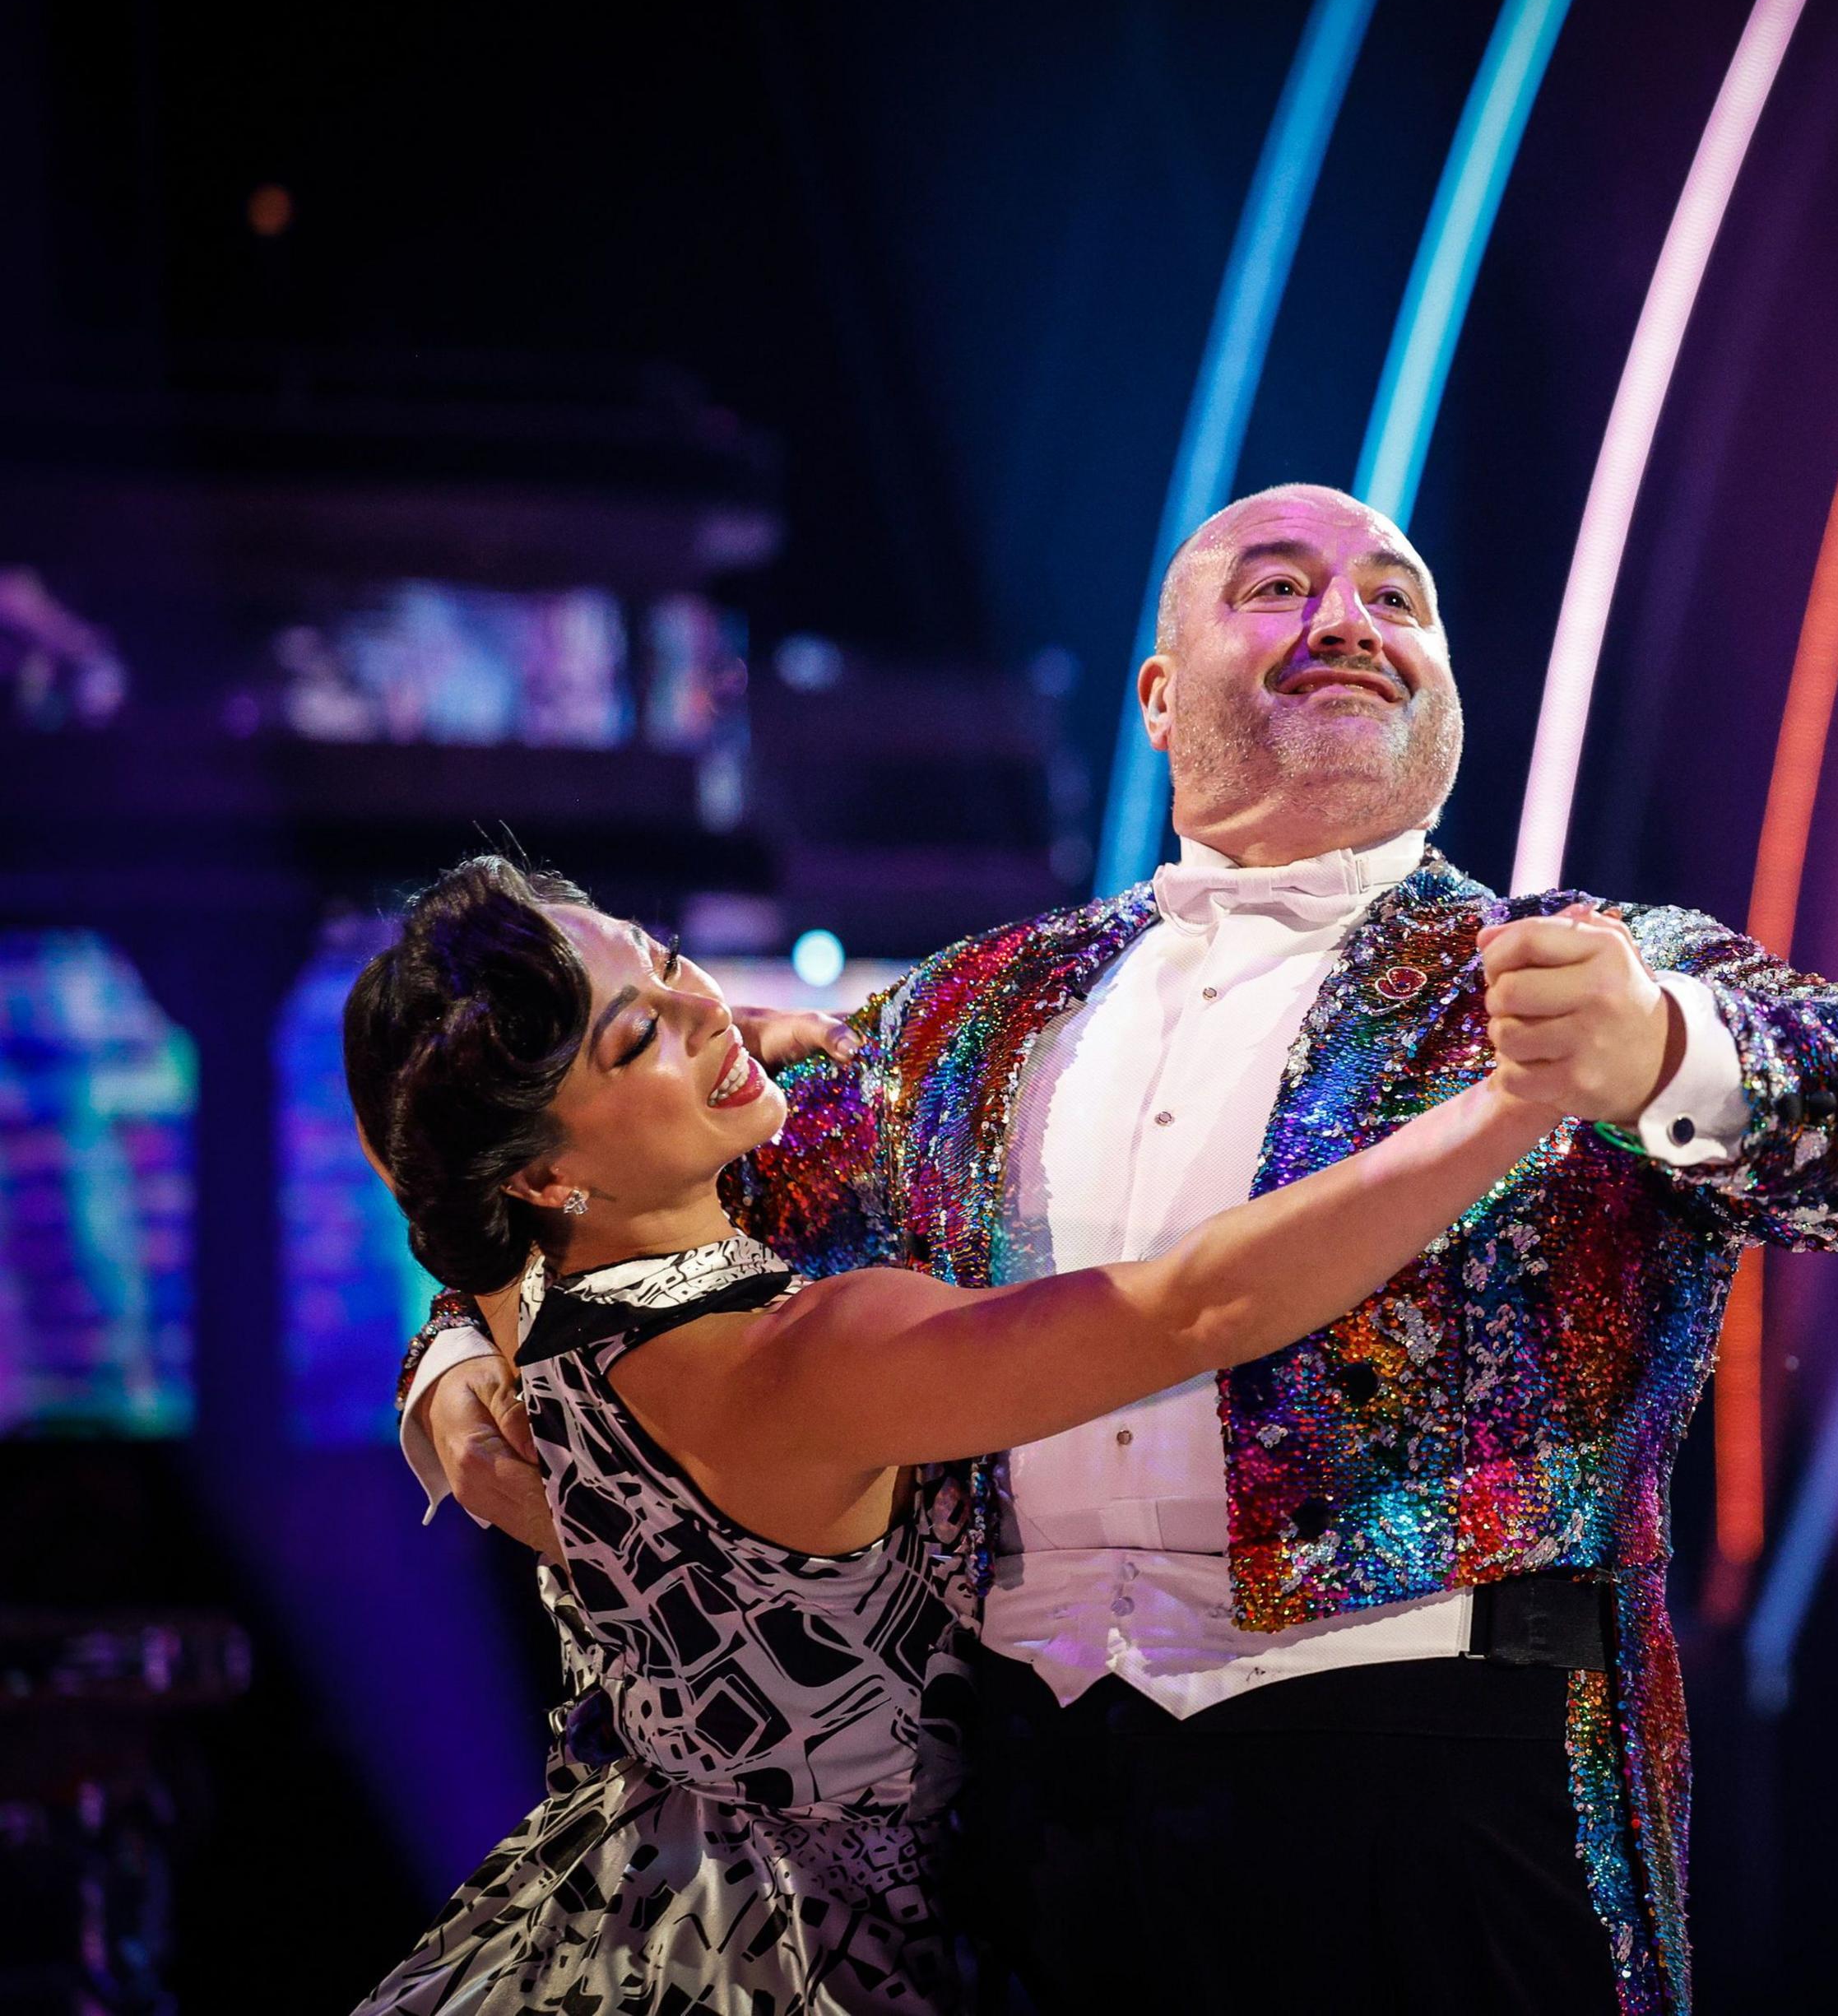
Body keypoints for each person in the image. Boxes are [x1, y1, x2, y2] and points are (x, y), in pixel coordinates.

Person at [406, 484, 1838, 2016]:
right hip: (1032, 1820)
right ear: (1162, 696)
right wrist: (467, 1343)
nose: (1349, 618)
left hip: (1441, 1790)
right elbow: (628, 1185)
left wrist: (1670, 1046)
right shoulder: (978, 1009)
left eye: (1401, 597)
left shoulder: (1571, 974)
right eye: (1279, 587)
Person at [343, 853, 1571, 2014]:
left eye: (669, 962)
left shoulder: (523, 1305)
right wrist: (1518, 1103)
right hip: (808, 1959)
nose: (711, 1010)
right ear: (545, 1174)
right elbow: (1201, 1305)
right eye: (638, 1037)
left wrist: (446, 1363)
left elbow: (413, 1145)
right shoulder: (812, 1357)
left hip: (611, 1908)